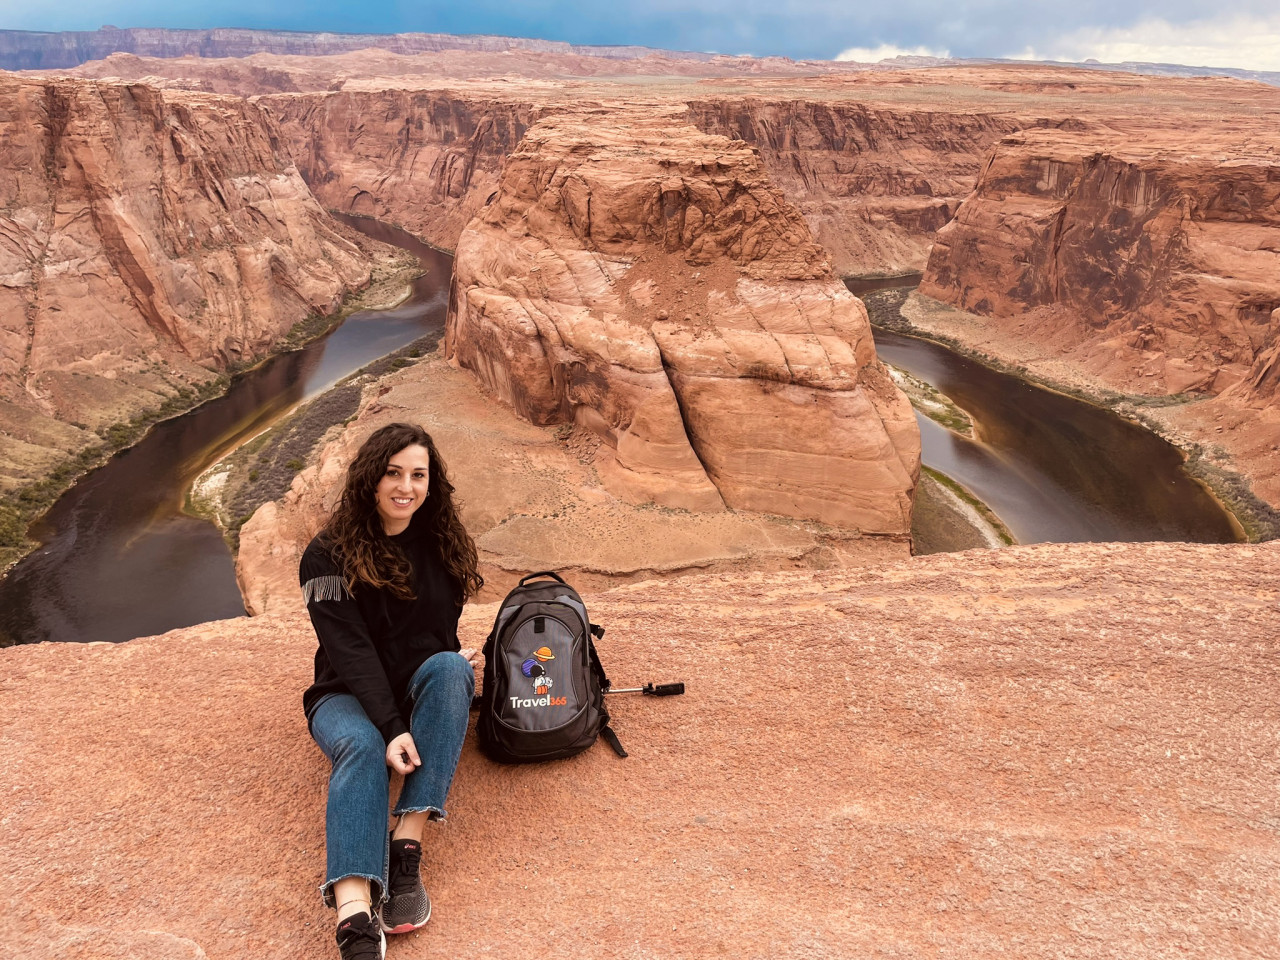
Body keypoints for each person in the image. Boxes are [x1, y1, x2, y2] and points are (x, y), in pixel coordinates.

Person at [299, 423, 483, 960]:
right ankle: (355, 915)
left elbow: (438, 626)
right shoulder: (326, 555)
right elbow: (350, 651)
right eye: (393, 473)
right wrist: (393, 726)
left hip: (412, 686)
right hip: (344, 693)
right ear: (370, 479)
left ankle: (408, 842)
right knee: (360, 747)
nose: (405, 487)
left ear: (432, 482)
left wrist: (451, 662)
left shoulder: (441, 541)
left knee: (451, 668)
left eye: (418, 475)